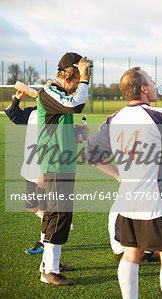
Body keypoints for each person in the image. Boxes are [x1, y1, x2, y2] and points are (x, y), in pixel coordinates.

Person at [84, 66, 162, 299]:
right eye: (151, 81)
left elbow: (91, 155)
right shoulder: (156, 114)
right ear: (143, 89)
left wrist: (120, 176)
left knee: (132, 254)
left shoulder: (114, 118)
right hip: (156, 202)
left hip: (127, 201)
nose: (154, 84)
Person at [36, 52, 92, 286]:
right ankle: (49, 271)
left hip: (62, 163)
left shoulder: (59, 94)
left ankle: (51, 264)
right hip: (55, 164)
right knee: (58, 215)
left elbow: (60, 124)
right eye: (78, 79)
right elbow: (75, 105)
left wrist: (76, 133)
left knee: (56, 214)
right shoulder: (49, 91)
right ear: (68, 75)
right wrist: (86, 80)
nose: (79, 84)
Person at [5, 90, 46, 254]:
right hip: (31, 168)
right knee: (31, 206)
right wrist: (17, 99)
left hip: (45, 169)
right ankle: (52, 219)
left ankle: (44, 242)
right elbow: (14, 115)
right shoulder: (33, 112)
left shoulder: (55, 115)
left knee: (46, 207)